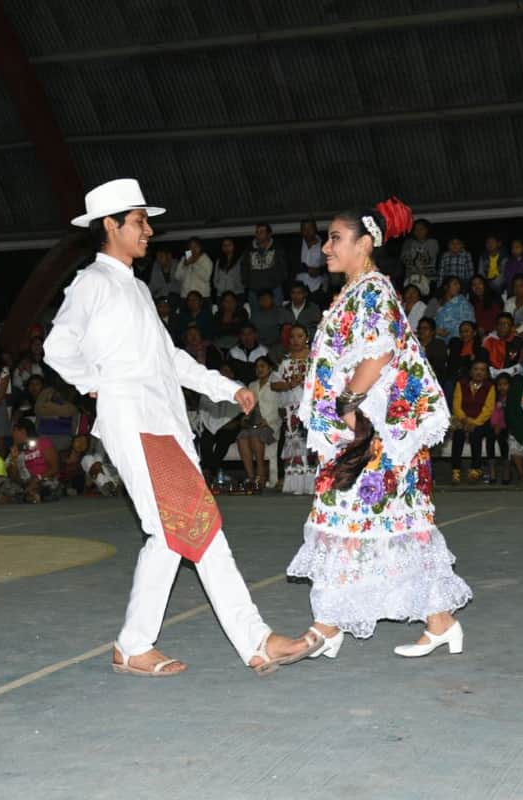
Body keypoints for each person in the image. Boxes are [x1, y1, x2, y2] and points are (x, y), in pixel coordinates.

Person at [42, 179, 317, 676]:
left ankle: (140, 645)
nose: (149, 230)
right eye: (139, 221)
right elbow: (57, 347)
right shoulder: (92, 283)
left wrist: (226, 388)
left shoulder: (136, 288)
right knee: (188, 527)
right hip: (136, 423)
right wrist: (96, 385)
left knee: (179, 532)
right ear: (111, 225)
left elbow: (169, 359)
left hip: (163, 423)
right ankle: (251, 640)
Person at [286, 197, 471, 659]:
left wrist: (347, 405)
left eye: (335, 238)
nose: (326, 247)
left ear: (365, 243)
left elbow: (380, 353)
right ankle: (431, 621)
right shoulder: (358, 289)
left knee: (361, 516)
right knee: (369, 522)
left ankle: (331, 624)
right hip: (366, 433)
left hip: (375, 435)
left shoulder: (372, 290)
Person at [270, 325, 315, 494]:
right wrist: (290, 384)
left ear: (306, 338)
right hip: (291, 410)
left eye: (300, 336)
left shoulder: (315, 359)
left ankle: (312, 484)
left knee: (311, 443)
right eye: (293, 336)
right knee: (294, 443)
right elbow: (274, 384)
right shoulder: (285, 361)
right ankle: (296, 484)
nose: (296, 340)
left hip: (312, 407)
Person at [450, 359, 496, 484]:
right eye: (476, 369)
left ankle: (476, 468)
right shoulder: (461, 384)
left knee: (476, 434)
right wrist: (465, 419)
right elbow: (456, 405)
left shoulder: (490, 387)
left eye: (482, 370)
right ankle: (456, 469)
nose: (478, 372)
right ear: (470, 372)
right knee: (458, 434)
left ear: (486, 373)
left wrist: (474, 423)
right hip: (462, 419)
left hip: (480, 421)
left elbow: (488, 408)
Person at [237, 356, 278, 491]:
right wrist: (245, 417)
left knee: (255, 436)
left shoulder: (276, 383)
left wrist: (267, 421)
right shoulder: (252, 385)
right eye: (257, 367)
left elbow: (280, 406)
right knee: (242, 437)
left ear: (270, 368)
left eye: (262, 366)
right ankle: (251, 478)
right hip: (254, 422)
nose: (259, 369)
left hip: (271, 423)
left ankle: (261, 475)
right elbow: (248, 406)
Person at [0, 419, 61, 503]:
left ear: (23, 431)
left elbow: (55, 468)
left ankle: (23, 497)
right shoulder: (15, 449)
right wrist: (14, 459)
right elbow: (12, 477)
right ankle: (29, 496)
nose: (12, 434)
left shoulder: (44, 443)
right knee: (1, 482)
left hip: (43, 479)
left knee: (51, 485)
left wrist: (38, 479)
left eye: (14, 431)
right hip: (24, 482)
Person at [196, 366, 243, 479]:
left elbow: (243, 409)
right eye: (221, 371)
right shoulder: (210, 387)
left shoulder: (239, 387)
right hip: (213, 424)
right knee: (205, 440)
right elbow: (205, 408)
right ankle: (209, 471)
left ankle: (210, 471)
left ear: (232, 374)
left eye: (227, 371)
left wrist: (235, 422)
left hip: (232, 425)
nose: (223, 373)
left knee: (224, 440)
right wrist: (214, 424)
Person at [243, 222, 290, 304]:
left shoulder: (277, 248)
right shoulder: (249, 249)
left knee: (276, 311)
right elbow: (244, 267)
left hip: (274, 289)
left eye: (262, 231)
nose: (258, 234)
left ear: (269, 234)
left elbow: (284, 268)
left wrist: (275, 281)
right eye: (257, 232)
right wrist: (248, 283)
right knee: (256, 312)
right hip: (255, 290)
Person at [400, 218, 439, 296]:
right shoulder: (408, 243)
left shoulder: (432, 242)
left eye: (421, 229)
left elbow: (428, 259)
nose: (419, 232)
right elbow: (404, 259)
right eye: (416, 229)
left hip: (428, 279)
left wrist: (415, 259)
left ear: (427, 230)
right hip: (411, 279)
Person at [483, 312, 523, 378]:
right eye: (500, 324)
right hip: (492, 375)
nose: (502, 327)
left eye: (506, 324)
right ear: (496, 326)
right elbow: (485, 363)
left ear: (512, 327)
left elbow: (521, 364)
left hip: (513, 375)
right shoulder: (488, 341)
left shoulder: (519, 341)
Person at [433, 276, 474, 341]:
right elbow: (427, 322)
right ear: (446, 287)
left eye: (459, 284)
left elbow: (469, 325)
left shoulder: (463, 303)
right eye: (455, 284)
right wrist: (435, 330)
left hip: (456, 341)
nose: (458, 287)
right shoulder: (436, 302)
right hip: (437, 341)